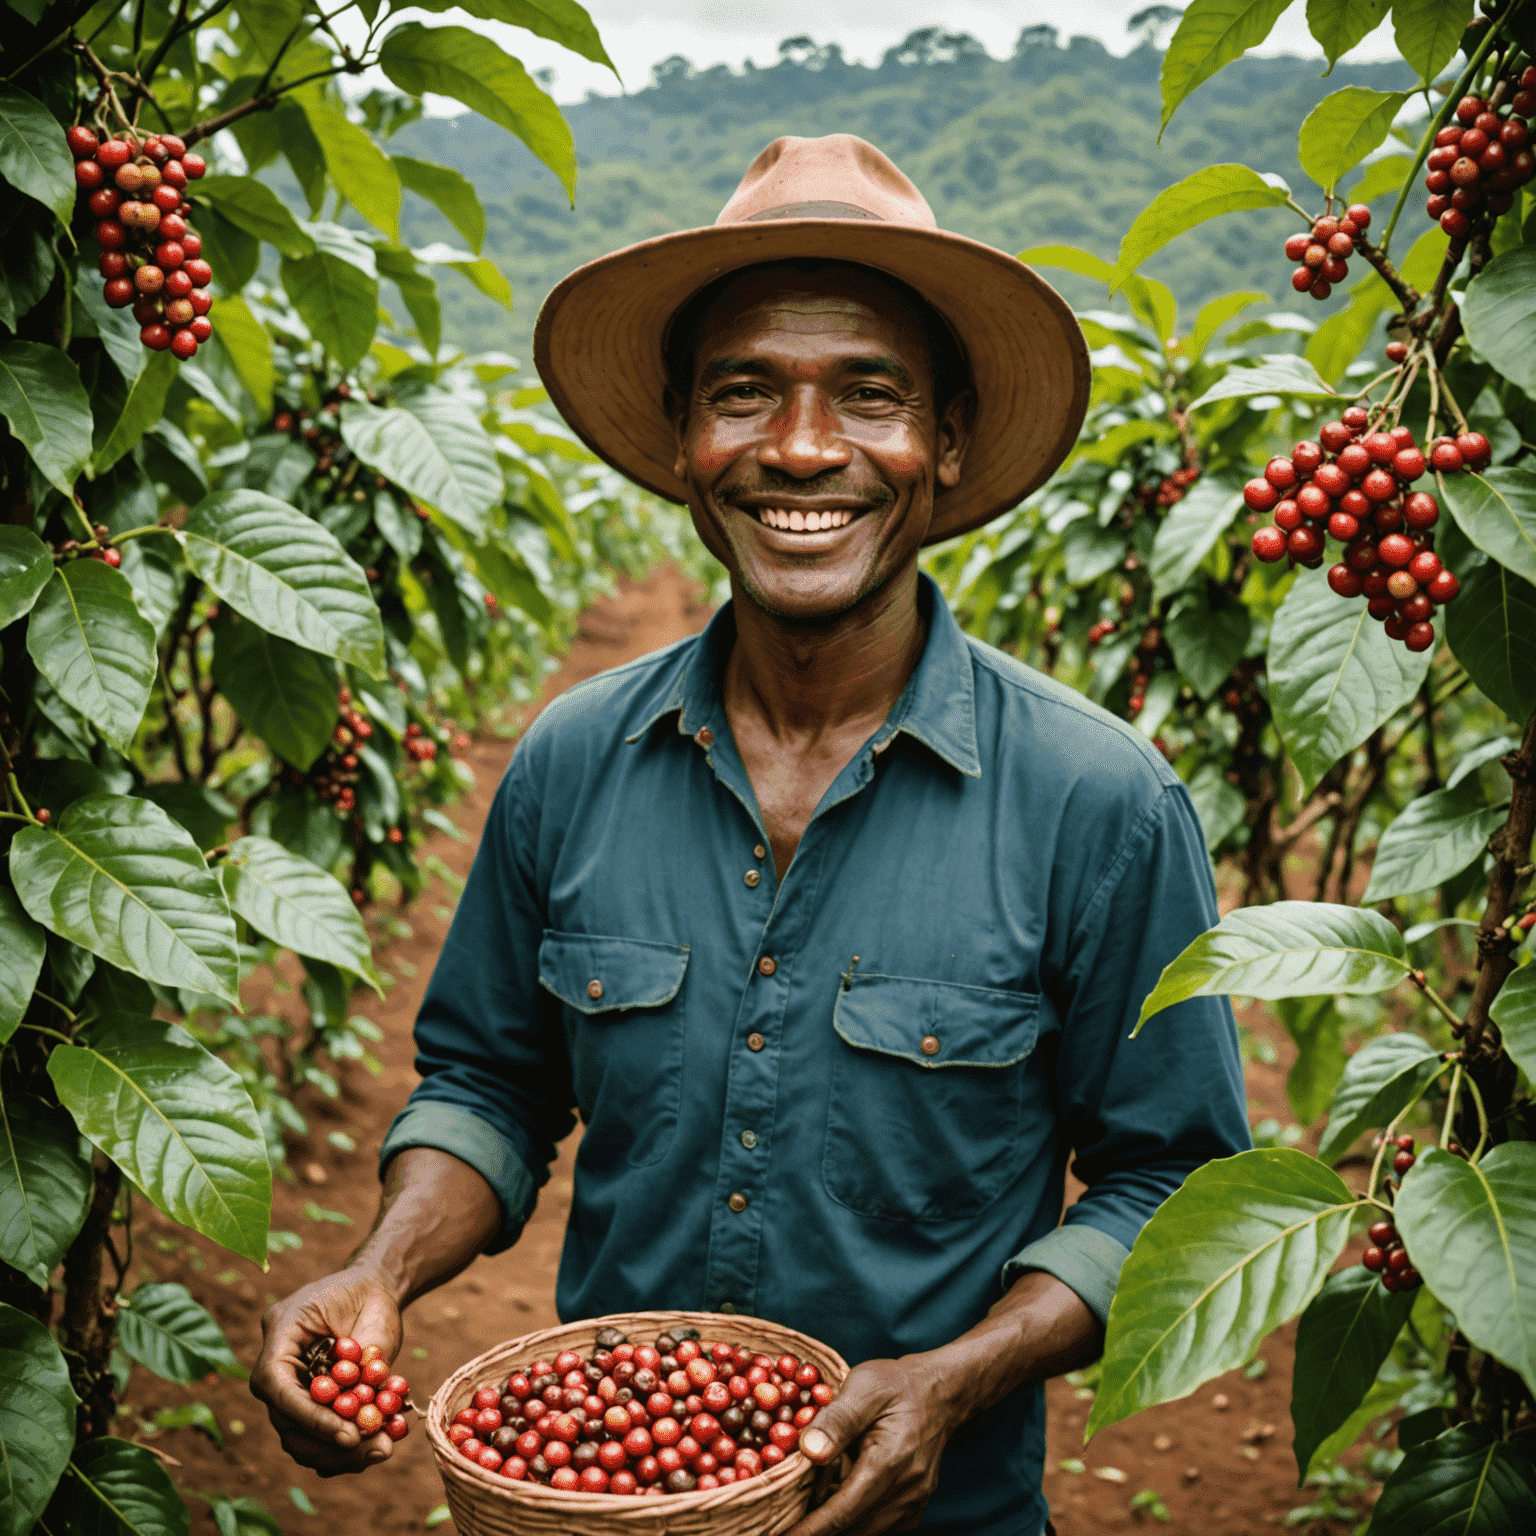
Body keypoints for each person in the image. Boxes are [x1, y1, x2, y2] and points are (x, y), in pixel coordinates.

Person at [251, 134, 1250, 1536]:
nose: (799, 448)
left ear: (947, 441)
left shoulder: (1099, 801)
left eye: (870, 396)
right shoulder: (574, 760)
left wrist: (959, 1379)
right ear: (681, 438)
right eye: (743, 393)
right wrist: (381, 1269)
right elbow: (491, 1082)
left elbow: (1174, 1181)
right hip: (606, 1497)